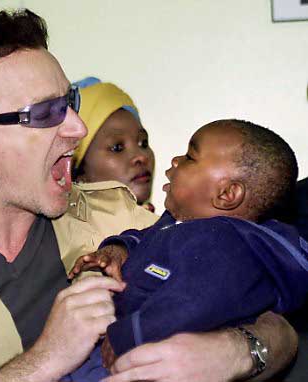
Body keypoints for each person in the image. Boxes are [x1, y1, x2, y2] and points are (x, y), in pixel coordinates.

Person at [0, 9, 296, 382]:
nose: (78, 127)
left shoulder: (116, 214)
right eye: (46, 112)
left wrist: (236, 352)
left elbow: (272, 312)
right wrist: (48, 356)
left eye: (68, 102)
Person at [67, 120, 308, 381]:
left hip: (142, 356)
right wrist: (118, 249)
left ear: (227, 194)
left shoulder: (225, 246)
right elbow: (146, 238)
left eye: (190, 157)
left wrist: (127, 335)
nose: (175, 160)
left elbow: (192, 303)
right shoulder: (180, 226)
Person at [72, 77, 156, 211]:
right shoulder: (67, 231)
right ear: (79, 175)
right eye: (117, 148)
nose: (141, 157)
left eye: (143, 143)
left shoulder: (171, 227)